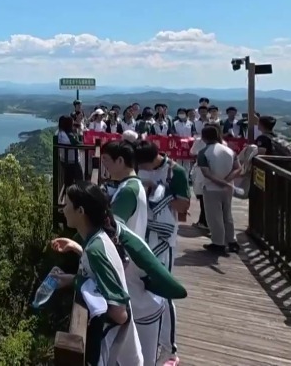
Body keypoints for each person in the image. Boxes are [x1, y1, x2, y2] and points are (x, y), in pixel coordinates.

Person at [52, 202, 187, 366]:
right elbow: (102, 266)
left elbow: (173, 287)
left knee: (141, 360)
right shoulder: (104, 241)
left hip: (145, 311)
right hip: (129, 310)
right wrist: (77, 250)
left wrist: (151, 286)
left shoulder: (124, 244)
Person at [50, 183, 144, 365]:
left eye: (68, 204)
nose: (64, 209)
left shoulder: (95, 250)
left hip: (115, 352)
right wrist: (71, 278)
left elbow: (119, 313)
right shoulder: (97, 239)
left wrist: (80, 284)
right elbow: (96, 274)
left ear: (80, 211)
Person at [134, 140, 191, 366]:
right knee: (147, 288)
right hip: (143, 236)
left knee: (164, 291)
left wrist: (160, 192)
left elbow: (184, 206)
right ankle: (153, 339)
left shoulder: (174, 172)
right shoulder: (143, 168)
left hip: (163, 240)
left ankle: (169, 349)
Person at [196, 124, 241, 256]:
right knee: (227, 215)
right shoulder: (230, 151)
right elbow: (238, 168)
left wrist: (219, 182)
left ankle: (218, 243)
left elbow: (206, 173)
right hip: (228, 188)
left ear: (204, 137)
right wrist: (227, 181)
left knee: (214, 217)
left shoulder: (203, 152)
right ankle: (232, 241)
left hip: (211, 188)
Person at [102, 141, 148, 239]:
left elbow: (110, 228)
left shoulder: (128, 190)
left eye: (105, 159)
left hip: (124, 253)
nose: (103, 163)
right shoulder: (131, 185)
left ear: (120, 161)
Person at [57, 115, 84, 186]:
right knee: (79, 179)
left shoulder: (59, 133)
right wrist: (77, 132)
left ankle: (68, 194)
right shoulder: (69, 136)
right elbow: (79, 144)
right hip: (72, 161)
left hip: (63, 160)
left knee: (68, 180)